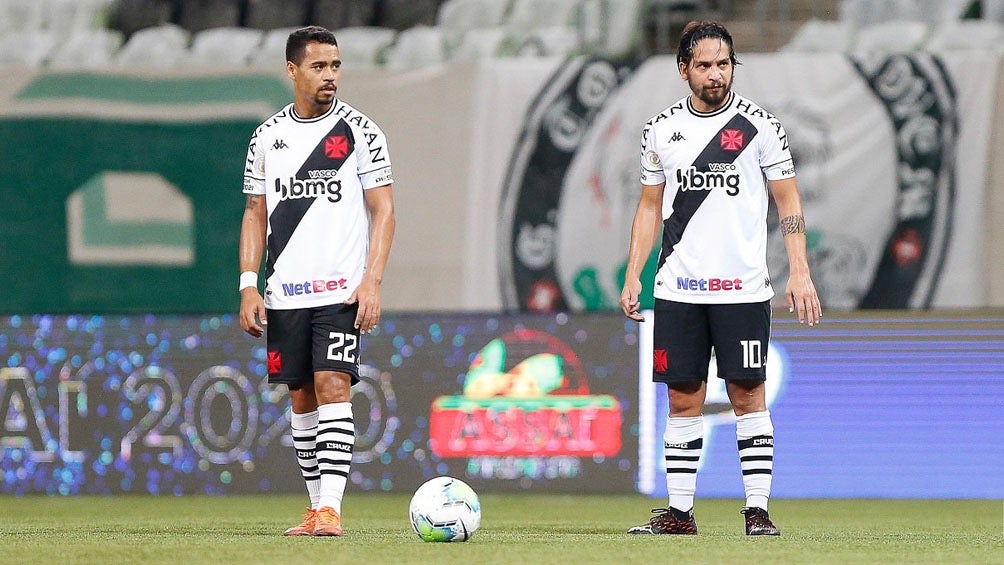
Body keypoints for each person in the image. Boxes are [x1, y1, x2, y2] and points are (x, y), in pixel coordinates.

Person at [619, 20, 820, 537]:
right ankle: (680, 513)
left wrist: (799, 271)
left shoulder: (760, 127)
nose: (715, 74)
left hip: (744, 289)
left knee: (747, 394)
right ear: (683, 69)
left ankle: (757, 511)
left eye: (724, 63)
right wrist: (633, 274)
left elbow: (788, 201)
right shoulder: (661, 130)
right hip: (677, 288)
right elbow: (648, 209)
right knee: (683, 398)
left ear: (734, 65)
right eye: (704, 65)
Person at [238, 25, 395, 537]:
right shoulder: (267, 138)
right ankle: (315, 509)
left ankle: (332, 509)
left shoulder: (359, 132)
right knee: (300, 397)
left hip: (340, 290)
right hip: (284, 291)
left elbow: (384, 210)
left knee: (333, 385)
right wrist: (247, 284)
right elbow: (254, 212)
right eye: (318, 66)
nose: (330, 76)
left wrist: (371, 281)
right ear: (292, 71)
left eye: (335, 66)